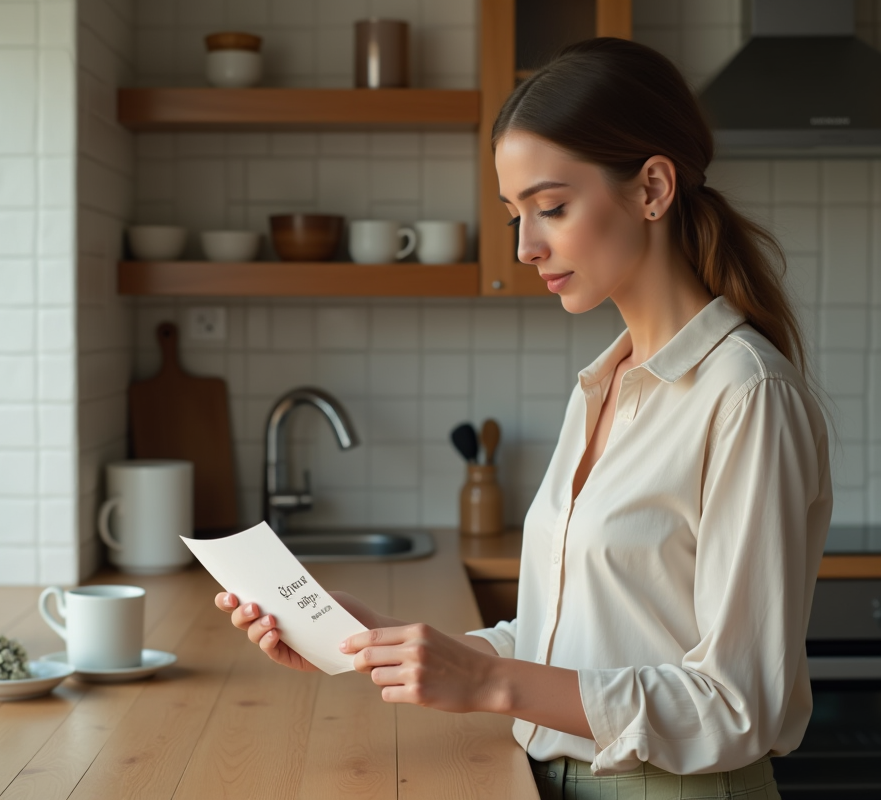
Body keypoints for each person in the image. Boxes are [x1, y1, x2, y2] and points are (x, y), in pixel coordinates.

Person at [215, 37, 832, 800]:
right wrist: (368, 641)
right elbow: (568, 638)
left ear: (652, 189)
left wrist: (492, 682)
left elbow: (737, 706)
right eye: (515, 215)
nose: (528, 245)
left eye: (552, 208)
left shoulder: (746, 397)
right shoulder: (604, 386)